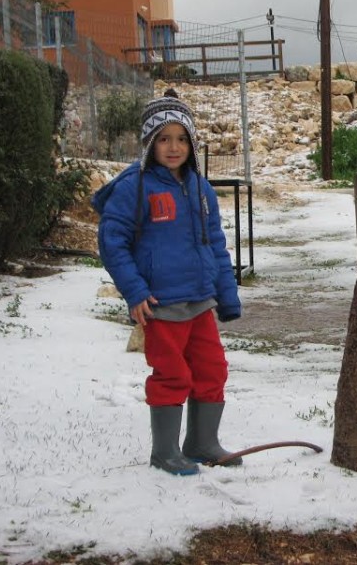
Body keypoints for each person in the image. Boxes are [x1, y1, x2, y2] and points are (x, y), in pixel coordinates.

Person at [92, 90, 242, 476]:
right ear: (148, 142)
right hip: (160, 305)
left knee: (212, 370)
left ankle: (202, 442)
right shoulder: (134, 187)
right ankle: (164, 451)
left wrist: (226, 294)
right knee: (172, 374)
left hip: (199, 302)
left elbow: (216, 245)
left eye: (181, 138)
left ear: (191, 143)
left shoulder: (200, 188)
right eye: (163, 138)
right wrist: (135, 291)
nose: (173, 147)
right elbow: (112, 242)